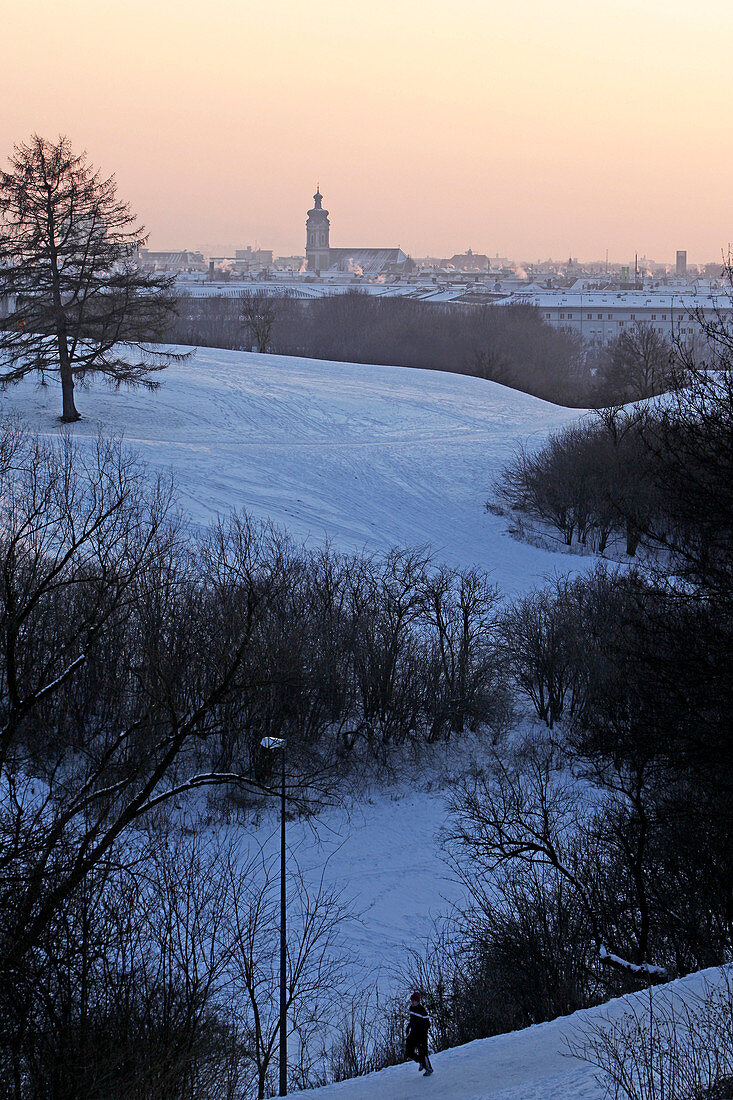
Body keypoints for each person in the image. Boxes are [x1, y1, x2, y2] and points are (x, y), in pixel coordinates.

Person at [405, 990, 434, 1075]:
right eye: (412, 1000)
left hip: (421, 1035)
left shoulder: (422, 1011)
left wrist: (422, 1034)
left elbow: (427, 1024)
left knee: (423, 1052)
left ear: (418, 1001)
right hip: (413, 1033)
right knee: (409, 1051)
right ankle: (420, 1061)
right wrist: (408, 1027)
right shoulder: (411, 1008)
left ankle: (429, 1069)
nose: (412, 1002)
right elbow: (412, 1020)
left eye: (414, 1001)